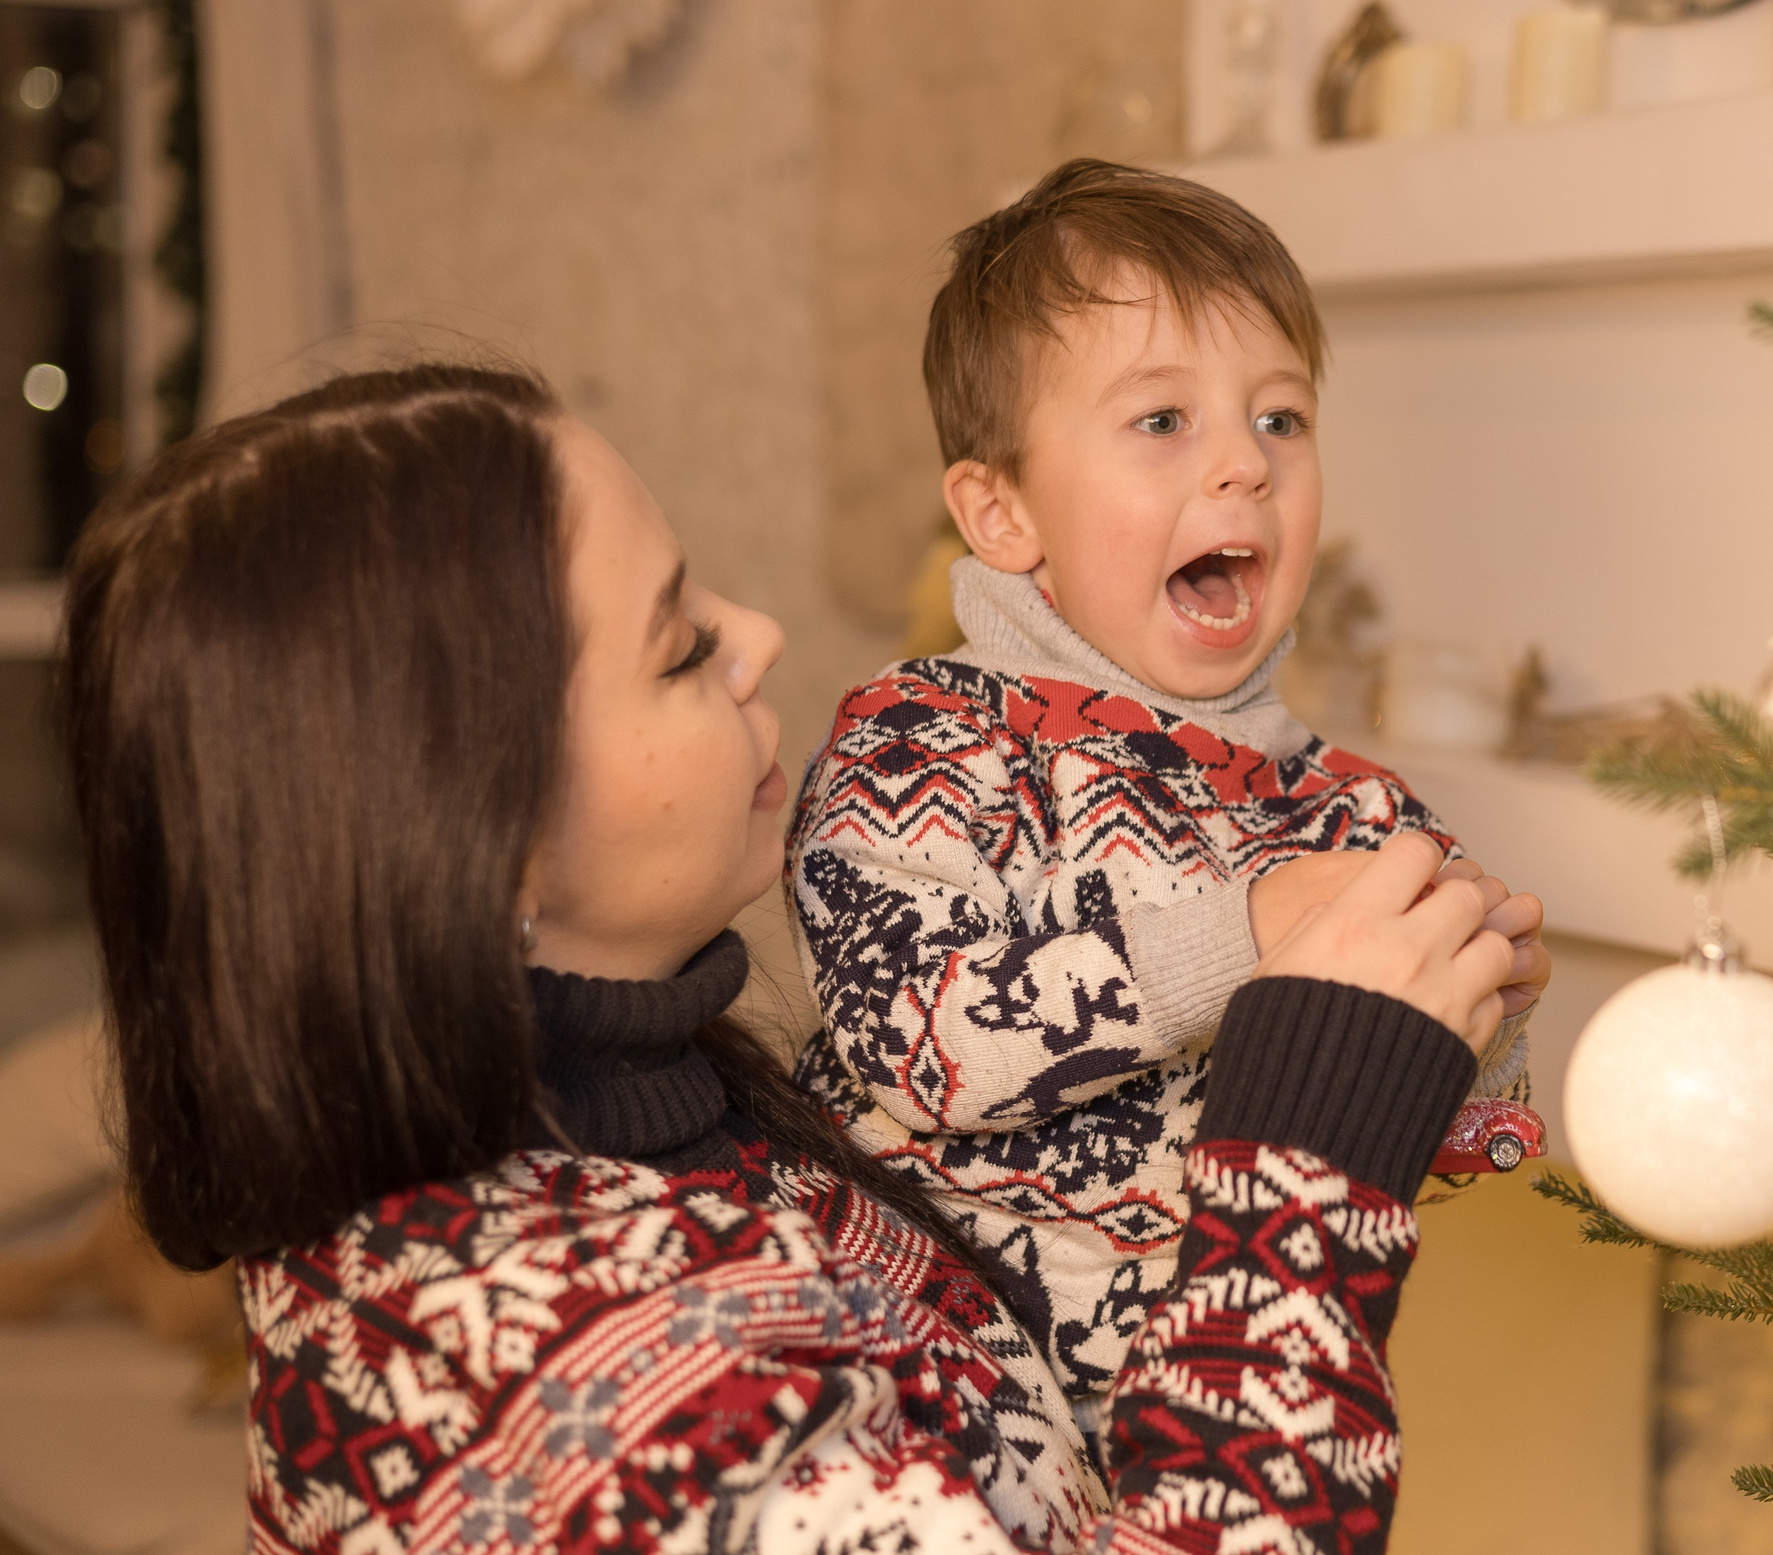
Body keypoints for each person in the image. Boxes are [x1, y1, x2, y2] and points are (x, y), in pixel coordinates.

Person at [63, 365, 1516, 1554]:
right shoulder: (570, 1379)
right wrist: (1307, 1149)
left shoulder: (668, 1121)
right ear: (477, 827)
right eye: (679, 645)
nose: (756, 635)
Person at [786, 159, 1552, 1425]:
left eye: (1280, 420)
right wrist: (1251, 926)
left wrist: (1493, 1024)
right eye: (1162, 423)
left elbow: (1405, 1150)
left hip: (1218, 1424)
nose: (1244, 467)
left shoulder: (1356, 817)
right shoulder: (920, 745)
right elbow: (924, 1042)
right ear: (1001, 510)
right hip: (917, 1413)